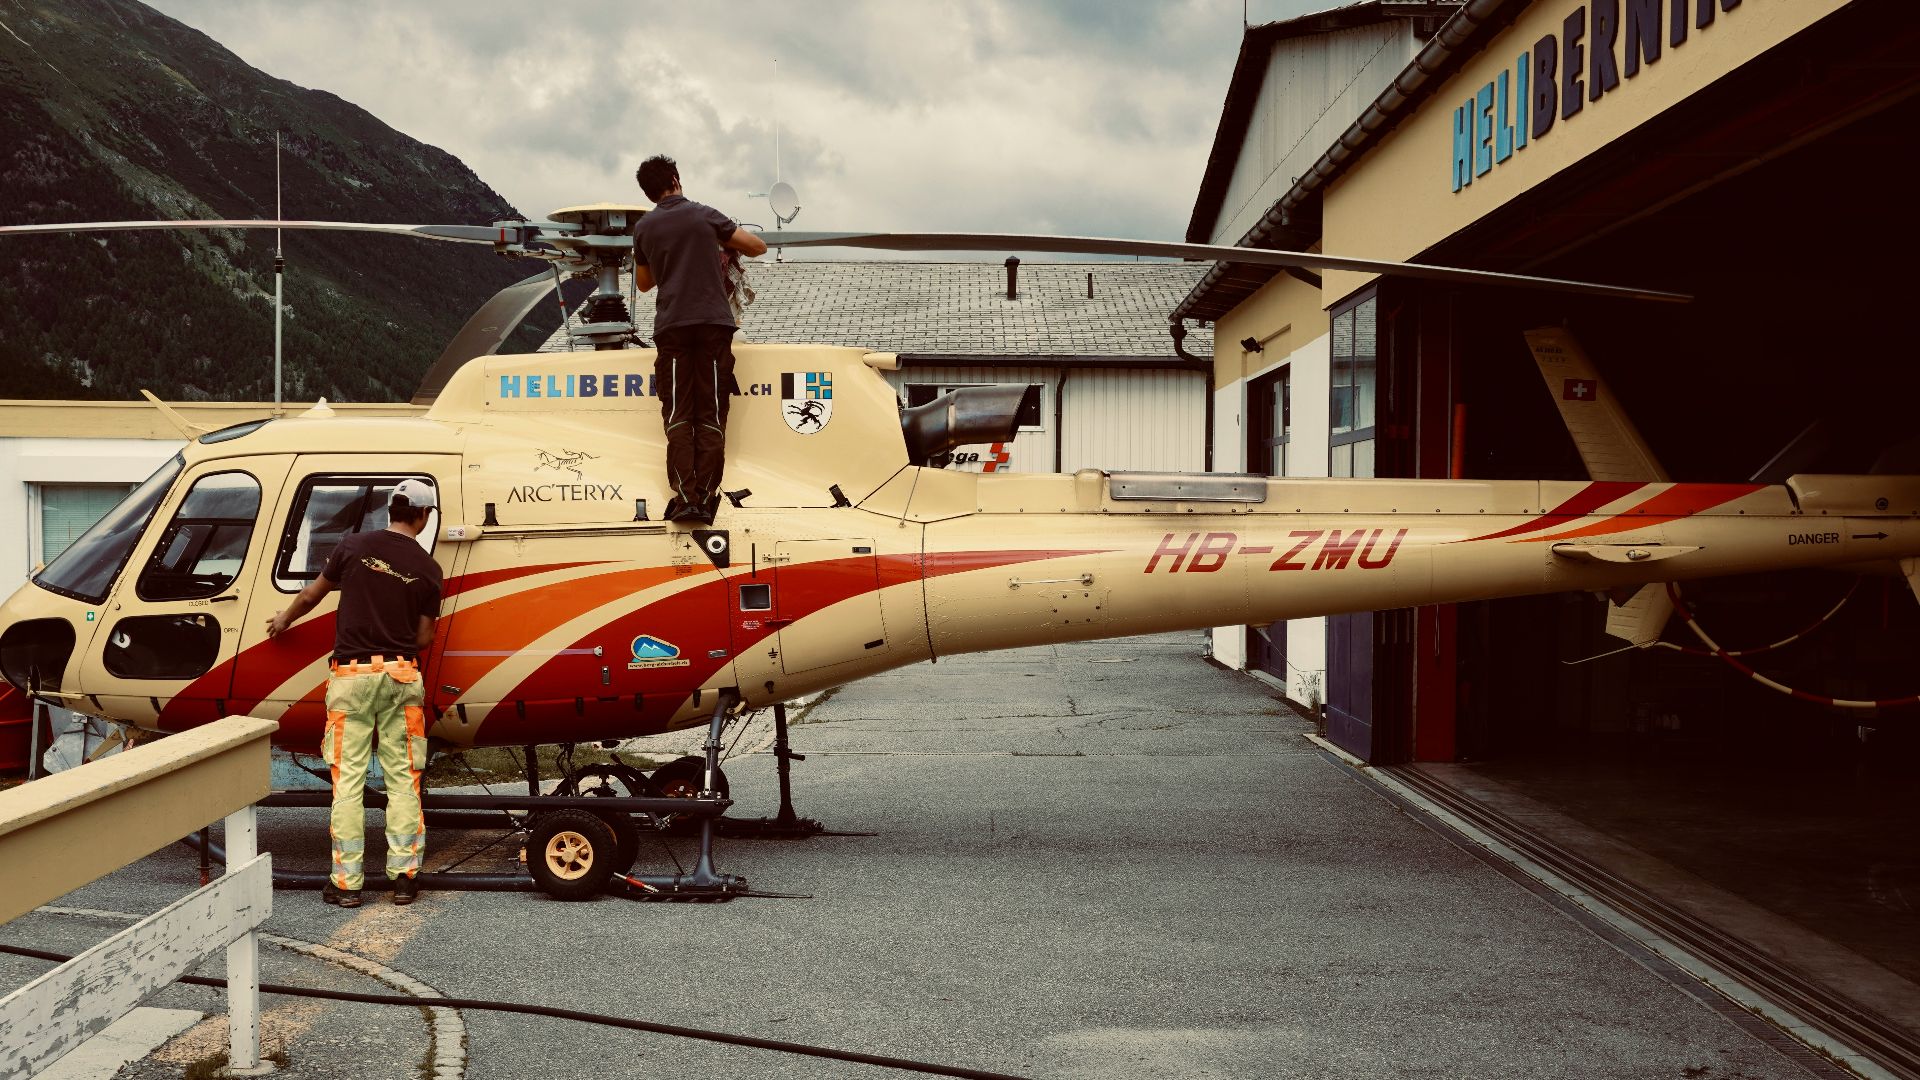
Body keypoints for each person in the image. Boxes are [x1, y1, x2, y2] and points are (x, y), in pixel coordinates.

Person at [267, 479, 443, 908]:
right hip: (401, 676)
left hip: (351, 677)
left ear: (390, 510)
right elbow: (423, 637)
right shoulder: (428, 568)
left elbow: (311, 595)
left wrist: (283, 621)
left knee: (347, 782)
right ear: (422, 515)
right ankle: (404, 878)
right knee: (404, 780)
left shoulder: (352, 546)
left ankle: (347, 885)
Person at [632, 154, 769, 524]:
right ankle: (706, 497)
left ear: (649, 193)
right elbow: (758, 247)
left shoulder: (644, 229)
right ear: (676, 179)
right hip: (712, 325)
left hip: (672, 327)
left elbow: (644, 284)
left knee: (678, 413)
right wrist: (721, 247)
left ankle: (684, 496)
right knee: (709, 411)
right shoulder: (706, 216)